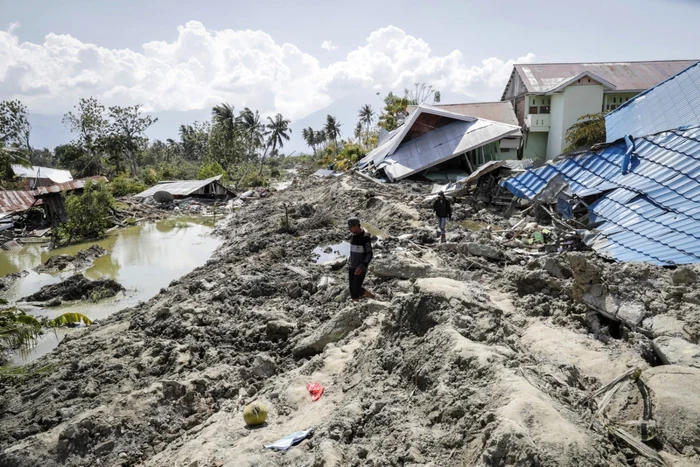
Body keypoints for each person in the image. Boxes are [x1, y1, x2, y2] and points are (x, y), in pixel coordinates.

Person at [347, 217, 375, 302]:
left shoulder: (365, 238)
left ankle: (373, 297)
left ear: (356, 226)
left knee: (357, 289)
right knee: (352, 290)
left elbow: (369, 254)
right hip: (352, 266)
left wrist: (362, 266)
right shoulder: (353, 236)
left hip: (360, 268)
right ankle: (356, 306)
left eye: (350, 227)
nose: (349, 229)